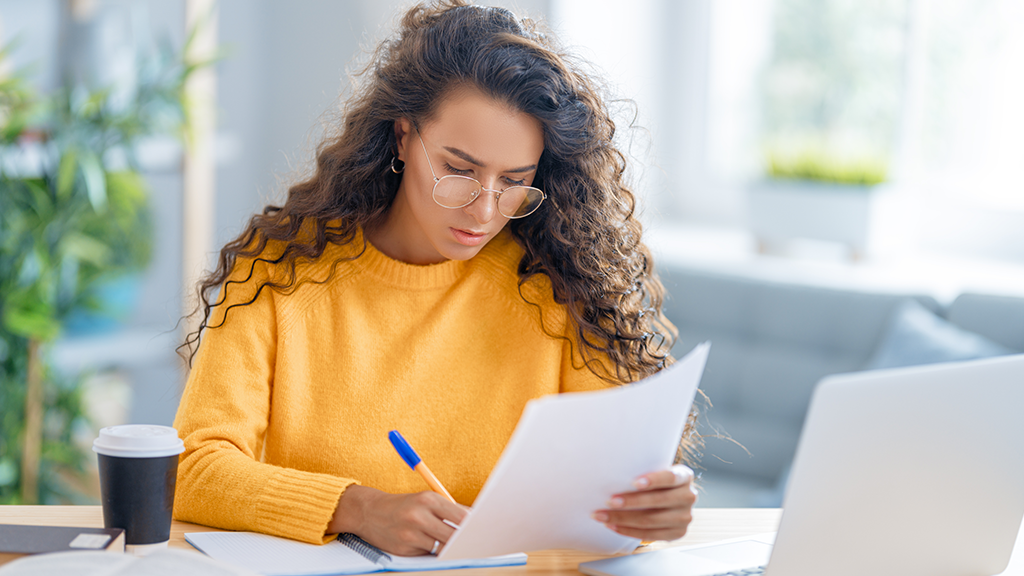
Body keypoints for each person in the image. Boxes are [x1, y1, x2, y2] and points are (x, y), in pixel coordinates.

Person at [173, 0, 699, 557]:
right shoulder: (280, 273)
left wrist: (652, 507)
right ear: (403, 136)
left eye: (515, 181)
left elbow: (614, 496)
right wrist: (357, 507)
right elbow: (193, 468)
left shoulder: (560, 287)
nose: (483, 211)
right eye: (459, 170)